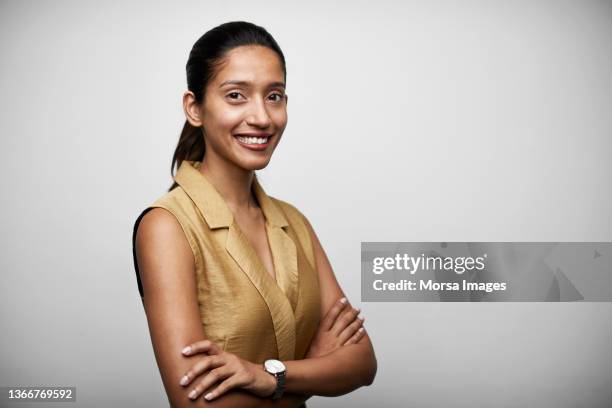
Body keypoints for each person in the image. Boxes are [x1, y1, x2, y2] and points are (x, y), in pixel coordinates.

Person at [132, 21, 377, 407]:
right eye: (236, 96)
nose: (262, 117)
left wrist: (268, 376)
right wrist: (312, 370)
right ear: (194, 108)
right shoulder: (167, 226)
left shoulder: (294, 222)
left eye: (274, 96)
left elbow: (362, 364)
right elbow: (196, 402)